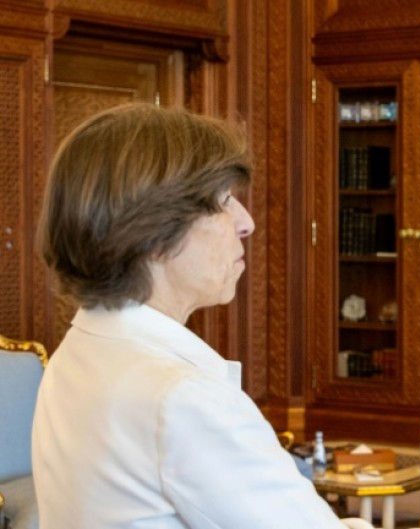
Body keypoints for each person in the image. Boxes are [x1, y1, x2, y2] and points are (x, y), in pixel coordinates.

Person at [33, 103, 373, 529]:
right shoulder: (183, 398)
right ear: (154, 231)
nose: (246, 222)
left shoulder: (76, 352)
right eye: (224, 200)